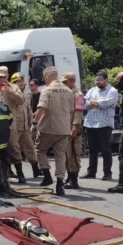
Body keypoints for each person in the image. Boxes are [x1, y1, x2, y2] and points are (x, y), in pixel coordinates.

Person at [31, 67, 76, 195]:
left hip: (48, 128)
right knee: (60, 156)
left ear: (47, 77)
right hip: (64, 129)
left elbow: (41, 109)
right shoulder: (68, 91)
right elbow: (71, 110)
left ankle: (47, 175)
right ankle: (60, 184)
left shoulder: (47, 90)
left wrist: (34, 124)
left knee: (40, 150)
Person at [0, 67, 35, 183]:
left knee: (14, 147)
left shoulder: (14, 87)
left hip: (10, 122)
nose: (1, 79)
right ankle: (0, 174)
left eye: (4, 77)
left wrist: (9, 92)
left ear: (7, 76)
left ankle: (20, 173)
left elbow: (21, 101)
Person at [83, 71, 119, 181]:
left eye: (100, 80)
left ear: (106, 79)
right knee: (92, 150)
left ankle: (107, 173)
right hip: (90, 123)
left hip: (104, 124)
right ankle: (91, 172)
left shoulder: (113, 91)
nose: (97, 82)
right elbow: (84, 104)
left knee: (105, 149)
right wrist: (96, 103)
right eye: (96, 80)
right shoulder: (92, 90)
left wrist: (93, 102)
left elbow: (105, 104)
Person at [61, 72, 86, 189]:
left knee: (74, 154)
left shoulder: (78, 95)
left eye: (65, 82)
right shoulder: (67, 94)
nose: (64, 84)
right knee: (67, 154)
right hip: (65, 128)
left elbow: (78, 113)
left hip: (73, 128)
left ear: (71, 82)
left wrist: (75, 127)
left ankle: (74, 180)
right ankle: (70, 176)